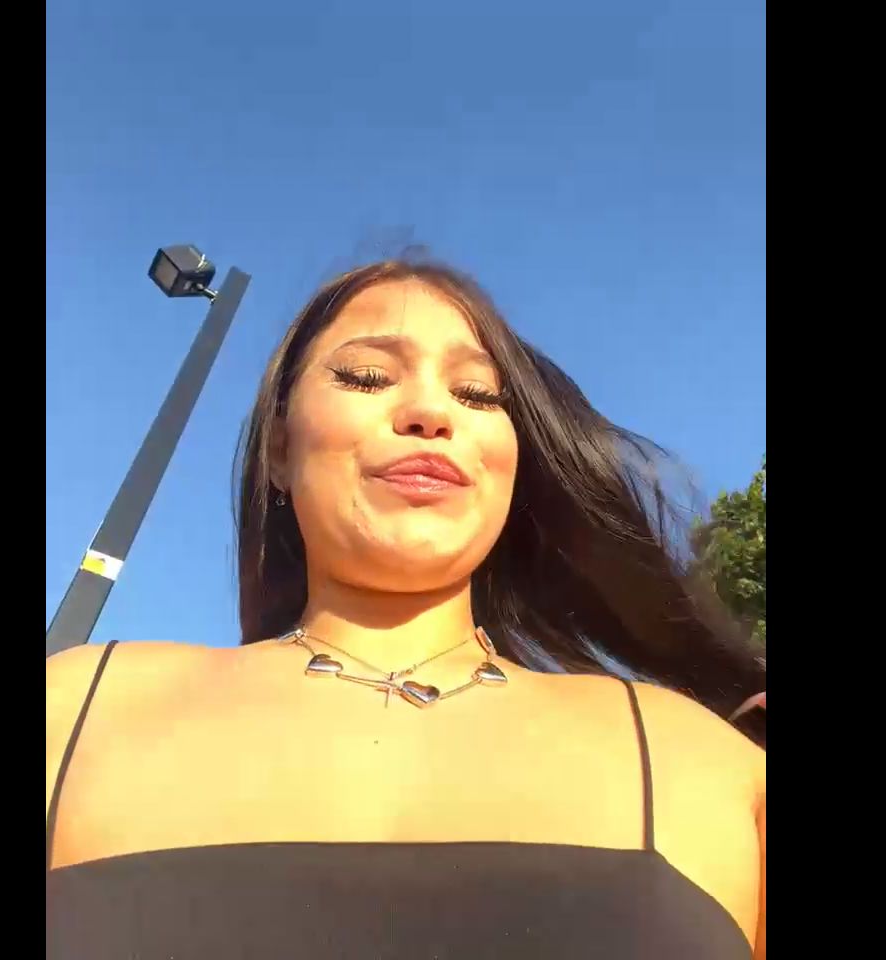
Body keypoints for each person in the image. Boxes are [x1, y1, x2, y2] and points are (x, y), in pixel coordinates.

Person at [46, 259, 766, 959]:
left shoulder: (708, 762)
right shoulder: (78, 707)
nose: (430, 412)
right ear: (278, 449)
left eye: (478, 395)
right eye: (367, 377)